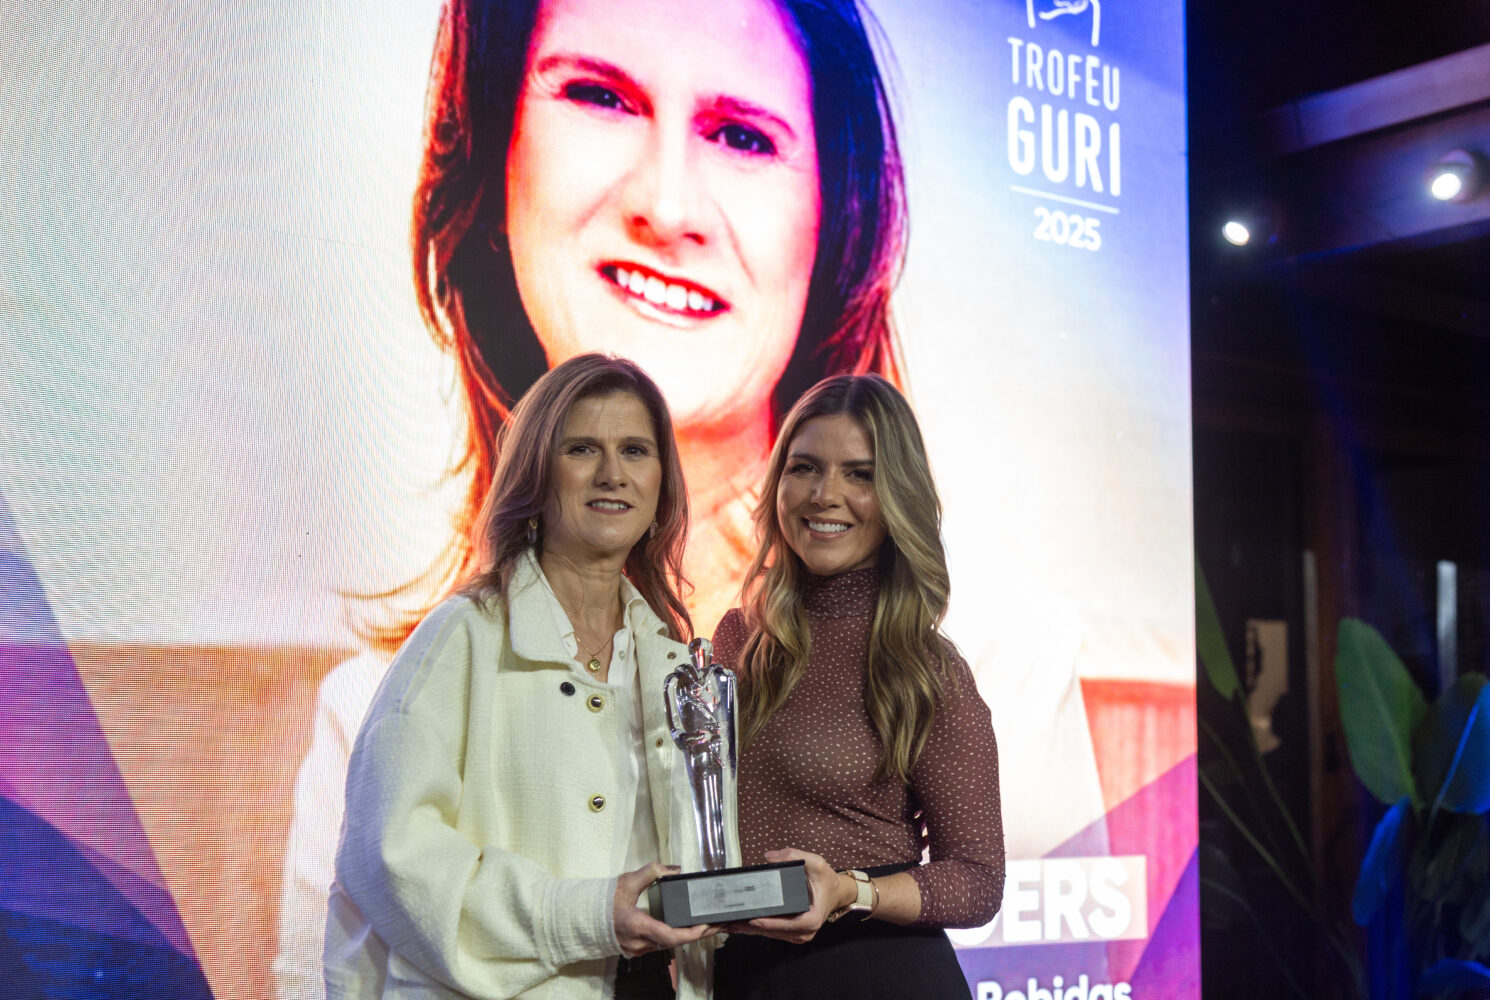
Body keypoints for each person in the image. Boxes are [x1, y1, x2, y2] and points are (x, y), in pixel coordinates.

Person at [276, 2, 907, 994]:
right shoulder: (446, 652)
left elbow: (685, 903)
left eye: (743, 136)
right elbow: (396, 872)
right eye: (599, 96)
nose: (668, 204)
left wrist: (808, 898)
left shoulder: (687, 670)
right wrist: (586, 912)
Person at [322, 354, 720, 999]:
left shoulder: (676, 666)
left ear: (661, 485)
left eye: (635, 450)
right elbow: (387, 854)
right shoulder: (461, 635)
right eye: (582, 449)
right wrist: (580, 917)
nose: (612, 473)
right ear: (537, 474)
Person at [708, 374, 1005, 999]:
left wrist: (850, 891)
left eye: (860, 475)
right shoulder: (739, 638)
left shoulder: (924, 668)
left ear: (896, 496)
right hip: (743, 974)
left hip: (874, 973)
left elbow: (980, 881)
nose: (825, 495)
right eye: (805, 468)